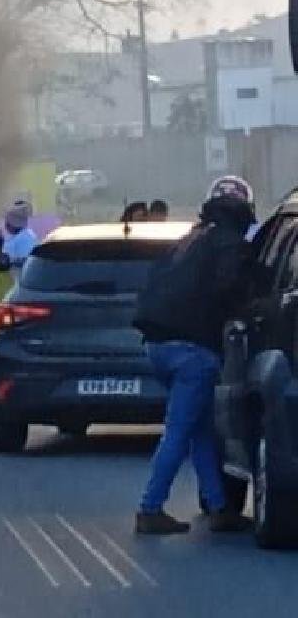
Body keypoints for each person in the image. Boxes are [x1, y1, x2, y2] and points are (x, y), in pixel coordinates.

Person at [133, 177, 255, 536]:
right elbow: (229, 290)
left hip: (159, 346)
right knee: (179, 432)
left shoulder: (190, 238)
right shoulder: (229, 243)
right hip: (193, 351)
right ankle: (150, 508)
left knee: (200, 430)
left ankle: (219, 506)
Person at [0, 202, 38, 283]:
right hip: (14, 279)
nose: (5, 225)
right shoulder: (18, 235)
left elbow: (27, 261)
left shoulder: (26, 238)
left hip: (22, 281)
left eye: (7, 222)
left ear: (12, 224)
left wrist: (10, 261)